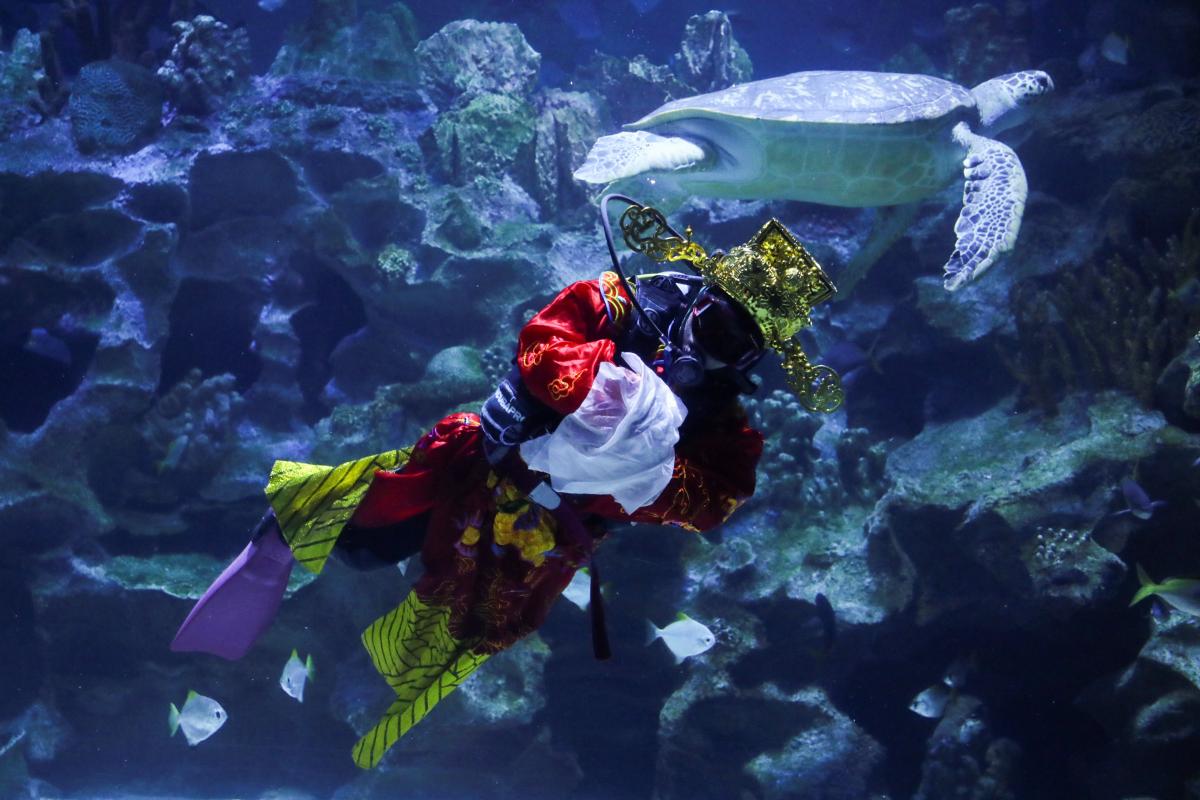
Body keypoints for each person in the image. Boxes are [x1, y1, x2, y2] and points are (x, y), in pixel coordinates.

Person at [170, 197, 843, 769]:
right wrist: (604, 396)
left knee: (463, 633)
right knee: (366, 532)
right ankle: (283, 537)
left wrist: (651, 469)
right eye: (717, 327)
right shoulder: (620, 303)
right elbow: (544, 341)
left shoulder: (724, 423)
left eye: (736, 348)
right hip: (479, 464)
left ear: (753, 360)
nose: (710, 353)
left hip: (542, 534)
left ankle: (365, 708)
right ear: (703, 298)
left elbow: (718, 498)